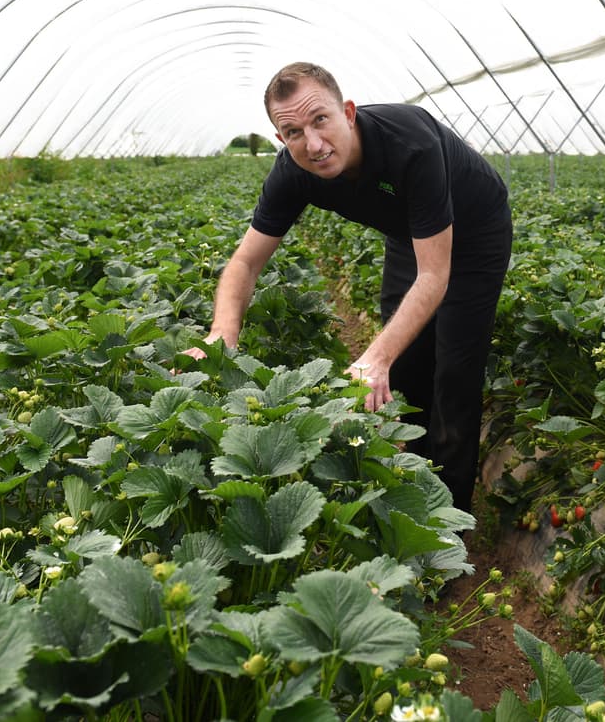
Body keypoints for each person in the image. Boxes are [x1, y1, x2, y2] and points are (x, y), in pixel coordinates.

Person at [185, 62, 511, 513]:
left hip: (476, 231)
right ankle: (411, 490)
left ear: (348, 113)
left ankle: (449, 520)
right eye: (294, 131)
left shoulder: (409, 143)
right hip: (409, 234)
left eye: (320, 119)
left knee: (454, 368)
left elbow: (434, 275)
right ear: (281, 139)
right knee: (408, 364)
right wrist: (223, 332)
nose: (313, 144)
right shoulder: (293, 171)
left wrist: (374, 357)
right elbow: (244, 261)